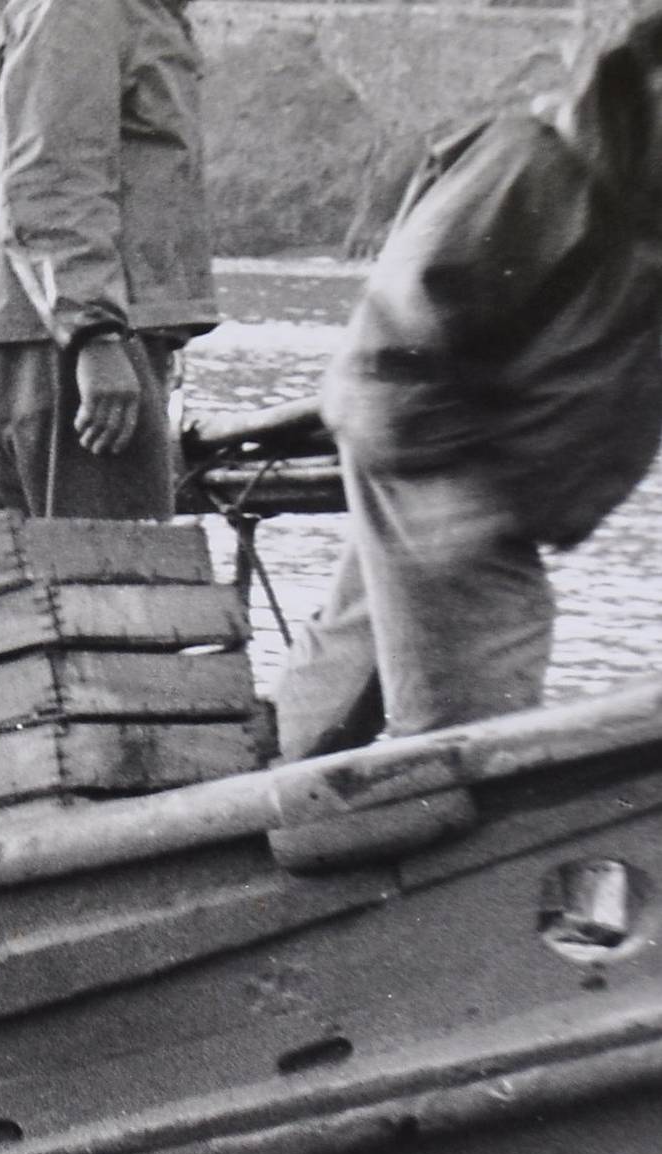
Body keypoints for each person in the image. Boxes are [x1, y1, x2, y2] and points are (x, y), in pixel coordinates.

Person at [274, 18, 662, 760]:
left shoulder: (643, 225)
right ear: (639, 90)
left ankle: (259, 805)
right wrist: (445, 488)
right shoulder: (534, 167)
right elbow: (390, 332)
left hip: (492, 489)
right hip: (447, 475)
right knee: (479, 719)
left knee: (348, 672)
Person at [0, 0, 218, 521]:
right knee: (110, 578)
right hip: (71, 339)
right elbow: (50, 178)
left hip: (79, 330)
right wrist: (95, 334)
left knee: (66, 578)